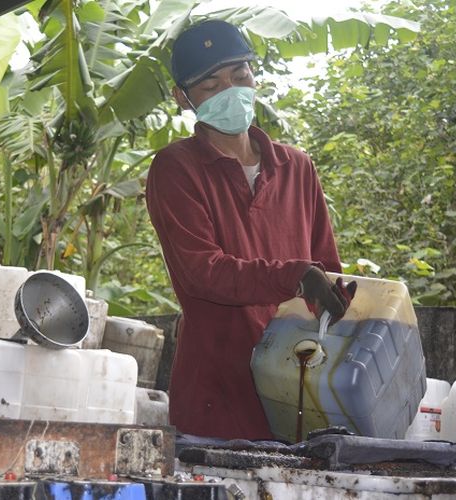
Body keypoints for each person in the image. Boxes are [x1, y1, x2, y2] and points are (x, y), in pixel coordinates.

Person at [145, 19, 356, 441]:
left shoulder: (297, 167)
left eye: (240, 75)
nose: (230, 90)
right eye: (210, 85)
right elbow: (204, 271)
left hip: (296, 395)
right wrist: (295, 276)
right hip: (215, 401)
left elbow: (327, 271)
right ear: (183, 99)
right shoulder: (175, 168)